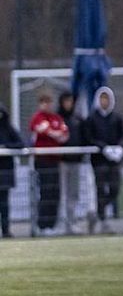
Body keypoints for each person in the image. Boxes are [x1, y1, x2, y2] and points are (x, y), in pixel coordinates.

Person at [83, 86, 123, 234]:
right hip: (99, 161)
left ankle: (96, 212)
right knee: (100, 190)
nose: (104, 101)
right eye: (102, 98)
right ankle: (102, 220)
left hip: (114, 160)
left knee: (115, 189)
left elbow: (122, 135)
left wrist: (119, 148)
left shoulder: (116, 118)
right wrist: (103, 147)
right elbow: (89, 138)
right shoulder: (92, 118)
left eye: (106, 98)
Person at [29, 93, 69, 234]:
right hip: (42, 161)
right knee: (45, 192)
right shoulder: (37, 118)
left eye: (49, 102)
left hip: (55, 161)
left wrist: (51, 132)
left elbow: (64, 134)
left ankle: (52, 225)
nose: (47, 105)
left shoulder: (56, 118)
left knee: (55, 193)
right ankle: (42, 225)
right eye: (44, 102)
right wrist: (52, 132)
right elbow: (40, 130)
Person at [57, 92, 90, 235]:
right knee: (61, 193)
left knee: (73, 193)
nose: (68, 104)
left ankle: (72, 222)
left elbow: (85, 137)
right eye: (66, 101)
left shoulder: (78, 120)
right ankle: (61, 223)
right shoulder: (57, 119)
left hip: (75, 161)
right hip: (61, 162)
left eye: (70, 101)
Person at [0, 103, 25, 238]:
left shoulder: (8, 129)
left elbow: (21, 144)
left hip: (5, 172)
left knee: (4, 204)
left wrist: (5, 147)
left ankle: (5, 230)